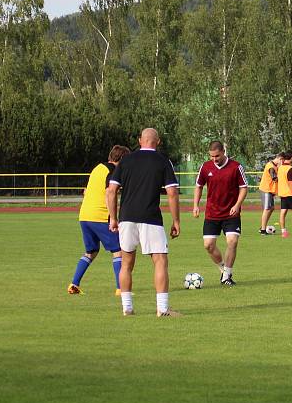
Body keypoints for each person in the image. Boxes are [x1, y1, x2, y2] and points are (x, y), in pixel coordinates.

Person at [106, 128, 181, 317]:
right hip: (151, 218)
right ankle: (163, 309)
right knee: (160, 261)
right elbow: (172, 193)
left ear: (140, 140)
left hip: (126, 218)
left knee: (126, 263)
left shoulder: (126, 161)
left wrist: (113, 218)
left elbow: (111, 190)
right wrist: (176, 220)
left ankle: (127, 308)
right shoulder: (163, 161)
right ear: (158, 142)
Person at [68, 145, 131, 295]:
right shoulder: (113, 170)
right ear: (121, 159)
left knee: (91, 252)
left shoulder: (98, 168)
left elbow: (86, 191)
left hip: (84, 215)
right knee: (118, 251)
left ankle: (74, 284)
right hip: (100, 216)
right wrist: (113, 218)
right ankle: (120, 288)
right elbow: (110, 192)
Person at [192, 140, 248, 286]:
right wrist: (195, 205)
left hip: (231, 213)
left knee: (232, 241)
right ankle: (223, 269)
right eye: (211, 156)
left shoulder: (236, 167)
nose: (214, 159)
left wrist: (237, 205)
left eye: (217, 156)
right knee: (208, 245)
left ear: (223, 152)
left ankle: (227, 276)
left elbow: (243, 188)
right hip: (212, 213)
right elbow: (198, 186)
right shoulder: (205, 167)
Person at [258, 154, 282, 235]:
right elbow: (274, 178)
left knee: (271, 208)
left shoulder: (275, 166)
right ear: (280, 159)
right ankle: (263, 230)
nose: (282, 163)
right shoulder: (271, 167)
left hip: (270, 191)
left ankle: (262, 227)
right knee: (267, 208)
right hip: (266, 190)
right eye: (282, 161)